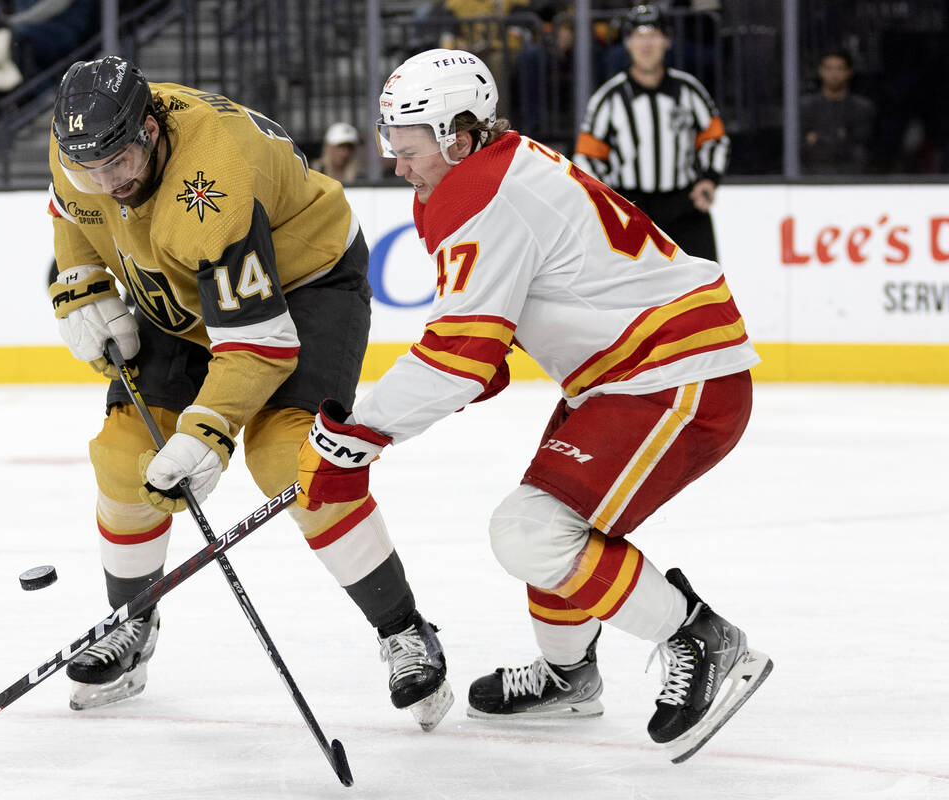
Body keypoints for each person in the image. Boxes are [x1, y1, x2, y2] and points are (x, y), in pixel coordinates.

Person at [297, 47, 772, 761]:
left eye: (409, 145)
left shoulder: (487, 195)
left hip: (676, 376)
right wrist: (478, 355)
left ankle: (704, 638)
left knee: (532, 532)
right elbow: (499, 316)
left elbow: (455, 356)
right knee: (550, 521)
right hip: (629, 375)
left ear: (458, 134)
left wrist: (356, 432)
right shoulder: (490, 167)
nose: (397, 163)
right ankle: (569, 676)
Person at [45, 56, 453, 730]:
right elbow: (71, 211)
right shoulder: (82, 147)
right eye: (91, 165)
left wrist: (206, 434)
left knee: (293, 462)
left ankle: (404, 629)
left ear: (149, 128)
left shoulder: (214, 181)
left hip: (305, 281)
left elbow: (258, 344)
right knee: (122, 455)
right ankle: (131, 622)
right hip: (180, 284)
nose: (107, 180)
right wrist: (79, 283)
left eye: (118, 160)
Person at [573, 4, 728, 262]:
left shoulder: (688, 91)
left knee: (704, 289)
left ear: (666, 41)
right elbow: (586, 157)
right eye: (639, 35)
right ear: (628, 43)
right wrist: (608, 202)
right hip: (631, 209)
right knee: (631, 295)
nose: (646, 43)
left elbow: (715, 138)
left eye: (653, 34)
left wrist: (710, 179)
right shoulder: (609, 98)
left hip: (684, 207)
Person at [799, 48, 875, 175]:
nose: (834, 74)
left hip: (851, 176)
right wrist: (839, 136)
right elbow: (801, 146)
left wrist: (818, 138)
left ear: (849, 72)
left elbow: (858, 146)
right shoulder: (805, 107)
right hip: (811, 176)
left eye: (839, 68)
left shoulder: (862, 107)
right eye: (828, 68)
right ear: (820, 71)